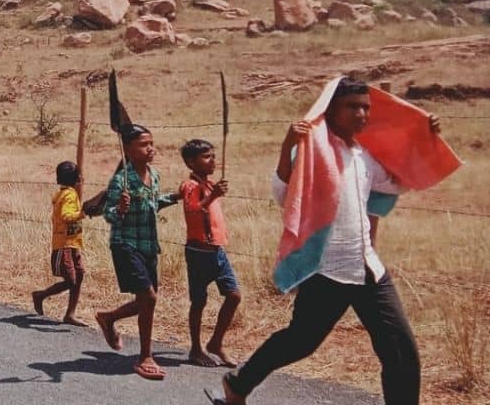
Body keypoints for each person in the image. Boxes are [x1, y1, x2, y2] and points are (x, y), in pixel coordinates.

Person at [214, 78, 448, 405]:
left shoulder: (364, 156)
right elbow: (284, 193)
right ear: (332, 109)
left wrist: (424, 139)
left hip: (368, 268)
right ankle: (238, 383)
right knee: (301, 342)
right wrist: (286, 146)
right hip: (327, 269)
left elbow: (396, 182)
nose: (362, 113)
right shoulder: (311, 150)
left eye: (366, 107)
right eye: (353, 106)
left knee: (401, 350)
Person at [94, 124, 180, 381]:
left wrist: (176, 196)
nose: (151, 148)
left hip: (148, 245)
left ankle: (109, 318)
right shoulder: (121, 181)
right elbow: (107, 214)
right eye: (144, 144)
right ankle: (145, 357)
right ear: (129, 150)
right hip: (125, 244)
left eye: (151, 143)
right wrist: (120, 208)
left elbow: (153, 204)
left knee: (146, 301)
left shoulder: (153, 175)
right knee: (149, 298)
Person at [177, 138, 241, 368]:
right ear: (191, 162)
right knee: (199, 301)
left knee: (233, 295)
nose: (212, 160)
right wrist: (212, 196)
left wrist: (214, 193)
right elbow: (192, 212)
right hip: (198, 253)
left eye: (213, 156)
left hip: (217, 252)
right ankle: (195, 348)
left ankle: (216, 342)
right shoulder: (190, 186)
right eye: (207, 157)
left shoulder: (210, 184)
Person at [31, 160, 86, 326]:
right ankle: (41, 295)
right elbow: (66, 216)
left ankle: (70, 314)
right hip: (65, 243)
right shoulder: (69, 195)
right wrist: (82, 213)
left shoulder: (64, 193)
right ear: (77, 178)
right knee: (71, 280)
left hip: (72, 242)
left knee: (79, 275)